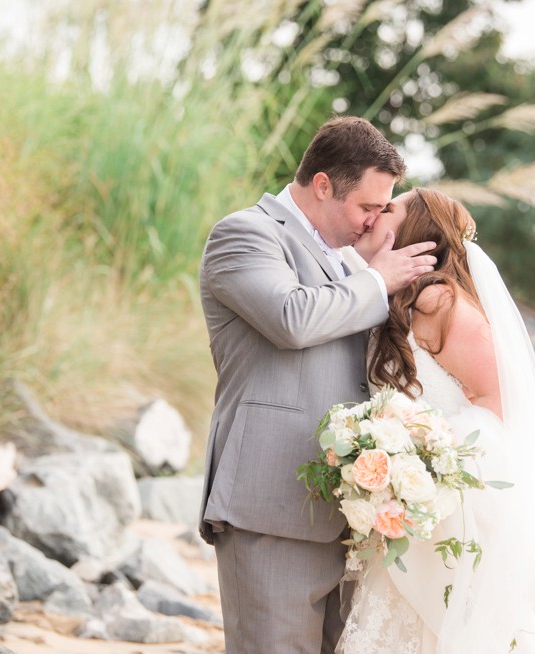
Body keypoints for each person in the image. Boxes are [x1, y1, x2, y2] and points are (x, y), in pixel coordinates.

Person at [197, 116, 438, 653]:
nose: (374, 220)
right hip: (271, 504)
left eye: (382, 207)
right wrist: (377, 280)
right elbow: (291, 317)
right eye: (366, 207)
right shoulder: (245, 233)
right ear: (323, 184)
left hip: (350, 513)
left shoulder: (352, 259)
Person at [338, 187, 535, 654]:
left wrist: (420, 459)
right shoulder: (392, 298)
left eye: (389, 208)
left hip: (445, 505)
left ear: (415, 231)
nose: (375, 214)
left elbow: (497, 404)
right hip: (402, 507)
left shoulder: (442, 302)